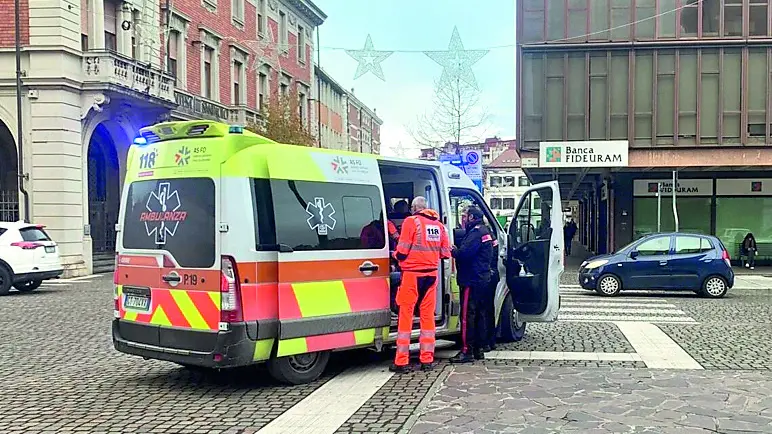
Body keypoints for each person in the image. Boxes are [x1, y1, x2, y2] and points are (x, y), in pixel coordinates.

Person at [391, 196, 451, 373]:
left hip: (412, 276)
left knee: (405, 317)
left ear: (413, 208)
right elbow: (445, 254)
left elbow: (402, 253)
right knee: (427, 319)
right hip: (431, 276)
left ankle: (401, 361)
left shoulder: (412, 222)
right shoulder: (439, 226)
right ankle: (427, 360)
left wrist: (393, 254)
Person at [450, 206, 495, 363]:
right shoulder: (485, 231)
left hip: (471, 279)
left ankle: (466, 350)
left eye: (465, 215)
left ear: (471, 217)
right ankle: (478, 348)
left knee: (467, 316)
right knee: (479, 315)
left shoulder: (475, 233)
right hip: (482, 278)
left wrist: (453, 250)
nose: (463, 218)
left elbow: (464, 254)